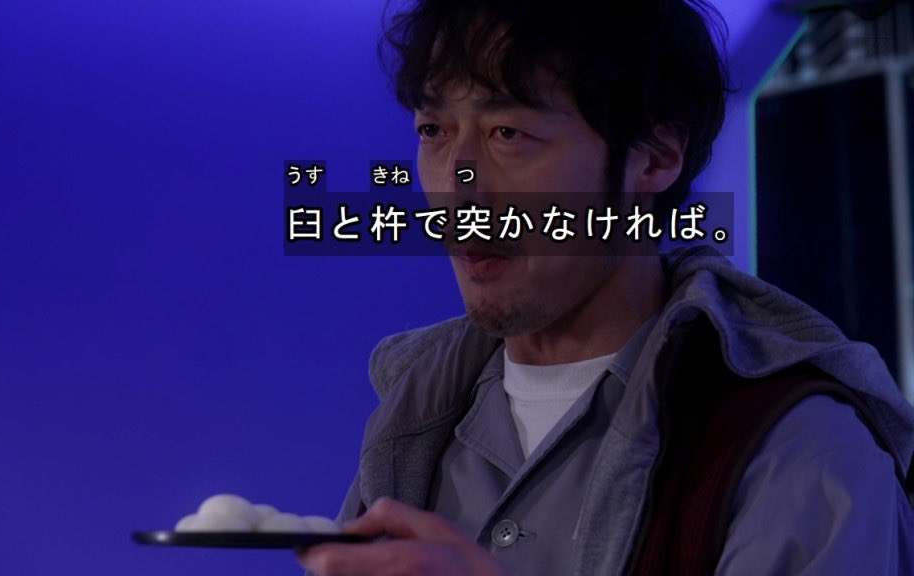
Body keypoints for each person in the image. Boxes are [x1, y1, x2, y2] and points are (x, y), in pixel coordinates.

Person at [297, 0, 914, 574]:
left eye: (507, 132)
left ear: (655, 157)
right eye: (433, 131)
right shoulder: (412, 421)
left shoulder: (793, 443)